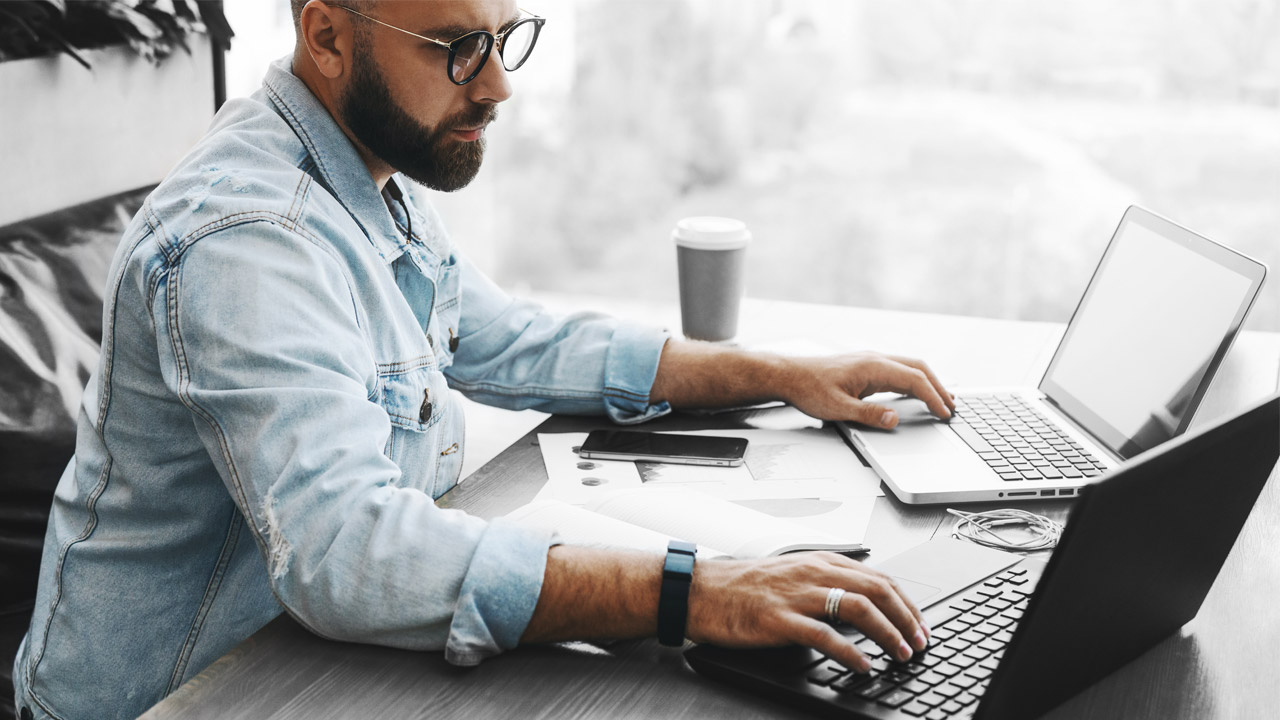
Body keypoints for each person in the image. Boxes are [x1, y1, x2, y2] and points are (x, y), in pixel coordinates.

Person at [11, 2, 956, 718]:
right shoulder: (247, 242)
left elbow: (512, 339)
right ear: (329, 36)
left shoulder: (370, 169)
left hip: (307, 658)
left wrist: (783, 375)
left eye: (508, 36)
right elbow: (346, 552)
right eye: (457, 47)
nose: (499, 82)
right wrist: (697, 592)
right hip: (186, 696)